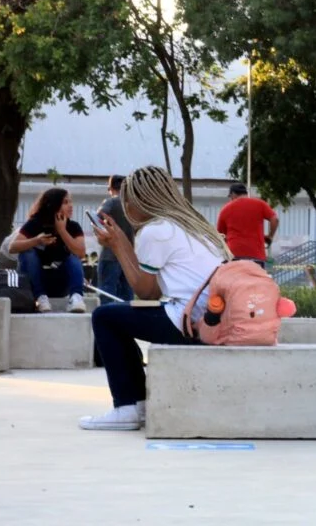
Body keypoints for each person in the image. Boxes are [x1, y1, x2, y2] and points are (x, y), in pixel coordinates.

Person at [79, 166, 230, 431]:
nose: (125, 207)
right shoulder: (190, 226)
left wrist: (116, 244)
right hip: (211, 316)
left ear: (138, 200)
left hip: (188, 319)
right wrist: (121, 241)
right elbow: (151, 286)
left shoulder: (155, 231)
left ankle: (128, 406)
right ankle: (136, 404)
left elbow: (147, 292)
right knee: (121, 316)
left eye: (127, 200)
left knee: (105, 317)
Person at [9, 188, 87, 313]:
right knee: (27, 252)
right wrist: (36, 241)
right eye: (65, 202)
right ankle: (40, 297)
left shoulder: (73, 227)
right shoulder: (35, 224)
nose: (71, 206)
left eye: (70, 202)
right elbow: (12, 247)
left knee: (73, 256)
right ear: (54, 205)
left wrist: (62, 231)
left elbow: (81, 253)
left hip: (60, 282)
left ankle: (76, 297)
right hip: (35, 282)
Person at [216, 182, 278, 267]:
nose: (230, 199)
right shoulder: (260, 204)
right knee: (256, 280)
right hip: (256, 256)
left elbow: (221, 236)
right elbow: (275, 219)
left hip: (234, 255)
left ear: (233, 194)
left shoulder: (225, 209)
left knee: (236, 280)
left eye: (230, 197)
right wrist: (270, 236)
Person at [96, 174, 135, 304]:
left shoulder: (111, 202)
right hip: (130, 259)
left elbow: (98, 217)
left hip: (110, 255)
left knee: (107, 293)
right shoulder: (134, 207)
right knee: (127, 297)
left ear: (111, 188)